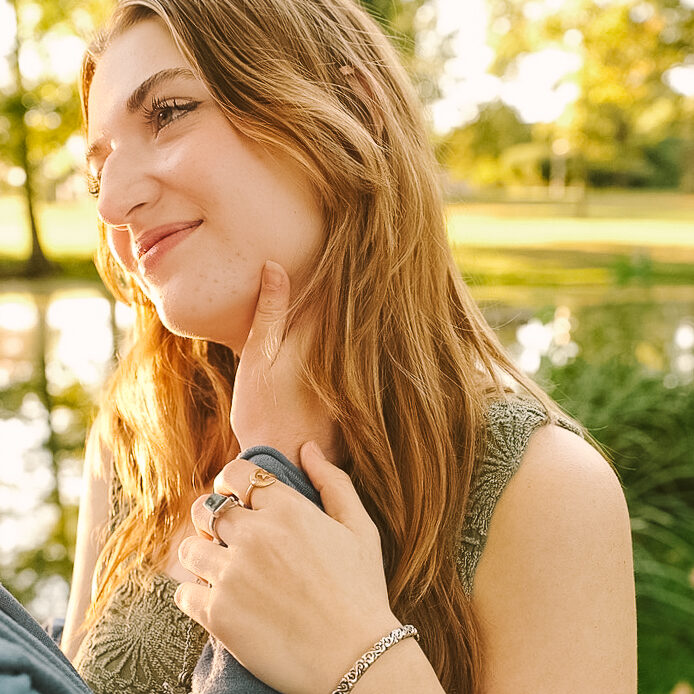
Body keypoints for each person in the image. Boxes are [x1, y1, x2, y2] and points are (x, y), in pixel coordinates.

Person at [58, 0, 638, 692]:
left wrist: (355, 652)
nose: (111, 202)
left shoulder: (547, 493)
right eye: (99, 169)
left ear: (356, 112)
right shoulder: (135, 442)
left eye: (171, 111)